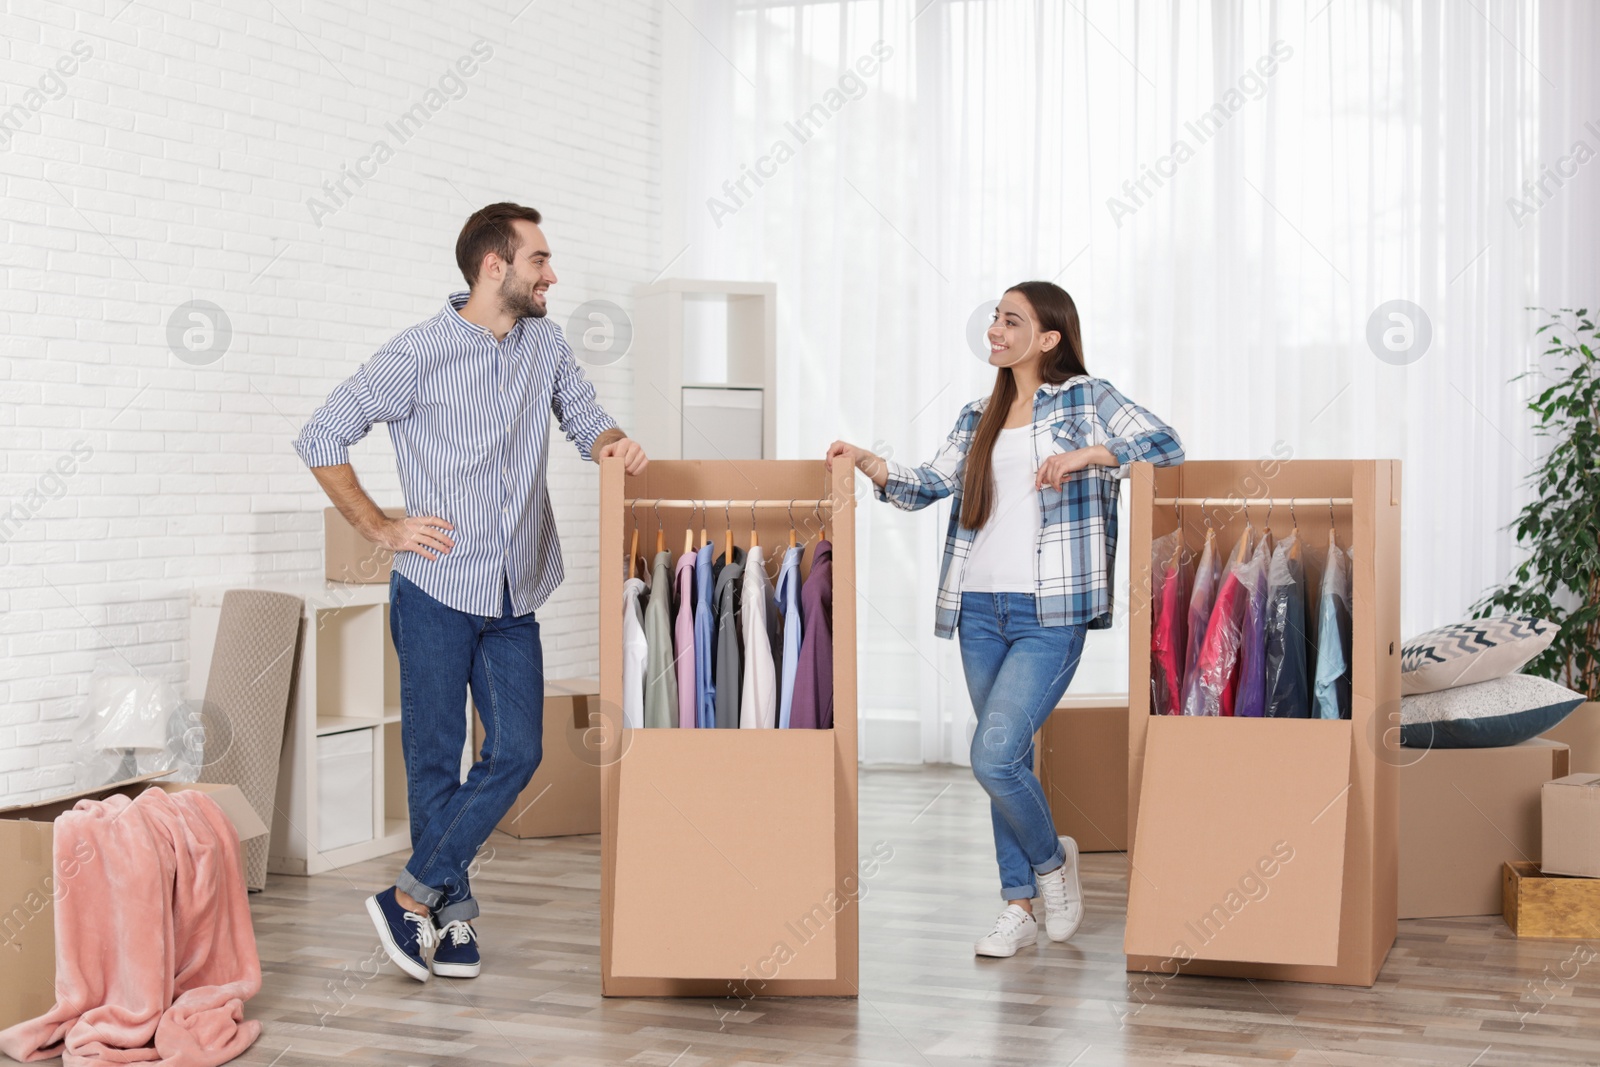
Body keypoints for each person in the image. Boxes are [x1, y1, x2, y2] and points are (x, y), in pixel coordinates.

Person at [294, 202, 647, 981]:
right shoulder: (418, 352)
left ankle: (410, 895)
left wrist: (611, 442)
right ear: (496, 267)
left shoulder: (545, 345)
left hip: (513, 589)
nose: (551, 275)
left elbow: (585, 419)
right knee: (433, 760)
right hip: (435, 588)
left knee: (517, 751)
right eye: (539, 261)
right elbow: (321, 436)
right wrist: (382, 526)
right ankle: (448, 919)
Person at [826, 281, 1183, 958]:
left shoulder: (1086, 396)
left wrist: (1091, 455)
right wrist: (872, 463)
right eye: (995, 316)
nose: (995, 328)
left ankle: (1052, 865)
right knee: (1005, 759)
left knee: (991, 753)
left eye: (1011, 320)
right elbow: (928, 483)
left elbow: (1167, 448)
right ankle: (1018, 902)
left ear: (1048, 338)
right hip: (978, 609)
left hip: (1052, 610)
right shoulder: (975, 415)